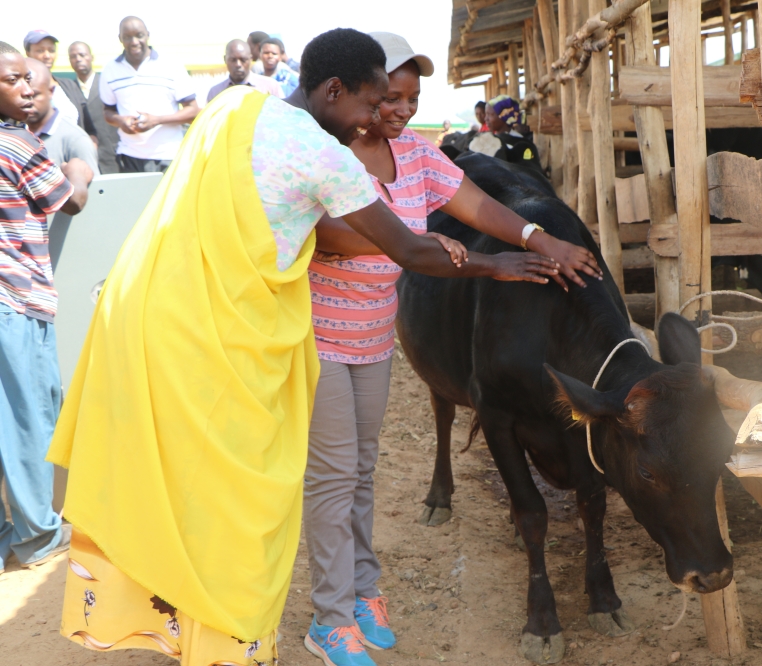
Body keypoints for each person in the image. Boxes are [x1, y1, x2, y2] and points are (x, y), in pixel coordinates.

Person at [48, 28, 561, 666]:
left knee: (340, 471)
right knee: (294, 485)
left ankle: (345, 594)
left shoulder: (238, 110)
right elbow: (388, 244)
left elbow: (455, 210)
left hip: (222, 322)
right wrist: (494, 266)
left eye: (397, 102)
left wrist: (512, 240)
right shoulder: (323, 155)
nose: (382, 117)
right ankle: (319, 617)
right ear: (334, 89)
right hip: (280, 340)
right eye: (375, 104)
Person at [302, 31, 601, 666]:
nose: (402, 109)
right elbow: (335, 235)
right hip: (316, 340)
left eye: (411, 98)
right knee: (331, 480)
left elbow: (477, 203)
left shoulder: (414, 154)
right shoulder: (323, 152)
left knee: (360, 471)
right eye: (390, 96)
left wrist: (539, 240)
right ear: (362, 90)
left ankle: (362, 591)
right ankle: (329, 618)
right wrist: (453, 256)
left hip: (373, 337)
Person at [0, 42, 92, 577]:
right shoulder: (14, 145)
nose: (28, 86)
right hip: (17, 301)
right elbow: (72, 199)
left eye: (28, 79)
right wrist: (77, 168)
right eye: (14, 80)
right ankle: (37, 534)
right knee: (30, 416)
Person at [100, 16, 199, 173]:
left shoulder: (171, 65)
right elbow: (108, 112)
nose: (134, 42)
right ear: (120, 38)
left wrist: (157, 120)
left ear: (147, 35)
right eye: (127, 37)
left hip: (169, 155)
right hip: (129, 156)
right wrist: (121, 121)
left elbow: (193, 111)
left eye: (139, 35)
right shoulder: (110, 70)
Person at [24, 58, 99, 175]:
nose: (29, 102)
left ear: (51, 91)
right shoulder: (14, 133)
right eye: (23, 96)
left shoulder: (75, 140)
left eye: (35, 95)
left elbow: (96, 192)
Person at [62, 41, 119, 174]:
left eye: (82, 55)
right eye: (73, 56)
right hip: (83, 159)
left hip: (112, 156)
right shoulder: (68, 90)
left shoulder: (107, 83)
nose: (78, 59)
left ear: (91, 57)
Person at [23, 30, 79, 127]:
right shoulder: (23, 87)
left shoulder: (69, 85)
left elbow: (87, 124)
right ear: (28, 53)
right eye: (40, 50)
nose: (47, 56)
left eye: (51, 50)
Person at [469, 95, 540, 167]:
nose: (485, 119)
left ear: (504, 116)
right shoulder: (485, 141)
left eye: (490, 114)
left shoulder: (520, 144)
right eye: (486, 114)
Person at [207, 39, 283, 103]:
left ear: (250, 59)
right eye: (233, 60)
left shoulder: (270, 86)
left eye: (243, 60)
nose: (238, 65)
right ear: (225, 59)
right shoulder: (215, 92)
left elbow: (284, 116)